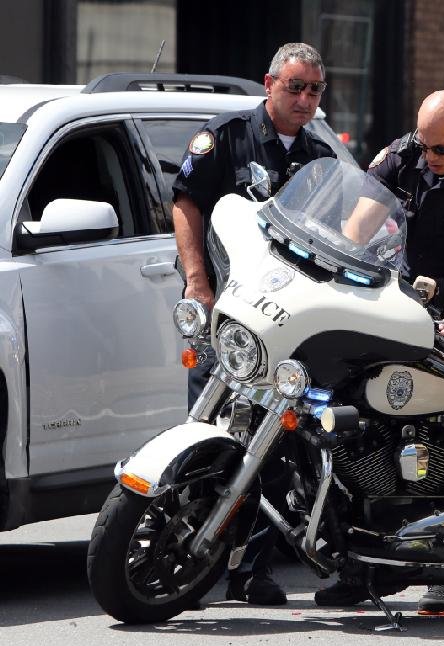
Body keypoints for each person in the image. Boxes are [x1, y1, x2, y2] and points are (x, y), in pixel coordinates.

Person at [315, 90, 444, 615]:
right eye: (424, 144)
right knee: (362, 424)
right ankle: (360, 567)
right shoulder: (403, 154)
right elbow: (356, 226)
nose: (429, 157)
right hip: (393, 299)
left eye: (441, 149)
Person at [172, 42, 335, 606]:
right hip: (227, 317)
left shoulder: (320, 160)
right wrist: (197, 281)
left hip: (283, 322)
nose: (305, 99)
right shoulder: (227, 136)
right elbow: (186, 204)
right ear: (269, 83)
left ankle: (252, 571)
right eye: (295, 87)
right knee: (211, 434)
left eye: (314, 90)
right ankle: (184, 556)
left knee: (274, 443)